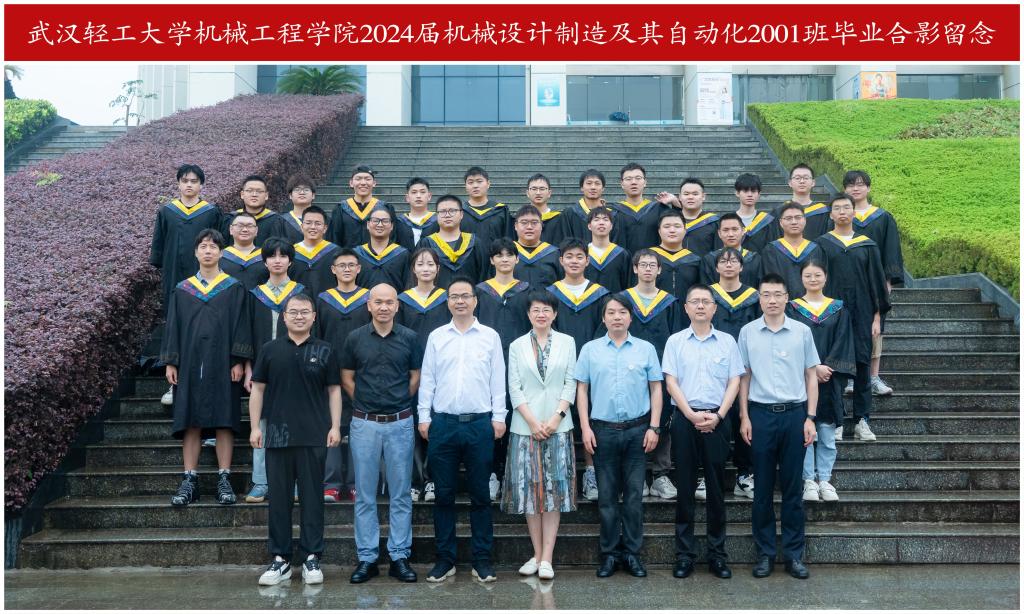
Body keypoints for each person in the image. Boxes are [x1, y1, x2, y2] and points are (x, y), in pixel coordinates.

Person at [249, 293, 342, 586]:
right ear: (284, 316)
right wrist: (255, 427)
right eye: (293, 312)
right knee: (279, 500)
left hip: (314, 435)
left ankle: (312, 557)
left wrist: (335, 426)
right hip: (277, 436)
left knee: (313, 499)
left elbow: (334, 391)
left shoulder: (326, 350)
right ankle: (281, 559)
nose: (299, 316)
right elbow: (258, 389)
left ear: (314, 317)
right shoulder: (270, 350)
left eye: (304, 312)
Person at [418, 277, 507, 584]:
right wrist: (424, 417)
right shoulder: (437, 337)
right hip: (443, 424)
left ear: (475, 300)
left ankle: (482, 560)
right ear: (447, 302)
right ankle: (445, 559)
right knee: (443, 495)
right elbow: (428, 379)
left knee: (481, 495)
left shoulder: (490, 337)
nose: (460, 301)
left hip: (479, 424)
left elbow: (498, 379)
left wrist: (499, 417)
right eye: (454, 296)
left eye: (465, 296)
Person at [737, 273, 820, 580]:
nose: (772, 300)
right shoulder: (747, 332)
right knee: (761, 490)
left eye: (777, 294)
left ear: (787, 298)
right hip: (760, 415)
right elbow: (743, 377)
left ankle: (794, 555)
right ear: (759, 299)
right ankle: (765, 554)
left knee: (792, 488)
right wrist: (744, 417)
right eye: (766, 295)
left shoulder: (802, 332)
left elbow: (811, 375)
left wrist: (810, 418)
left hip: (795, 415)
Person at [161, 229, 252, 507]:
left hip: (224, 363)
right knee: (190, 419)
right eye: (203, 246)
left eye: (213, 247)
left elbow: (241, 325)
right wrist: (171, 361)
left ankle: (224, 478)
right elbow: (173, 327)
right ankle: (190, 480)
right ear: (196, 252)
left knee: (225, 419)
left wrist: (238, 359)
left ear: (222, 253)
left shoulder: (233, 288)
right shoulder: (182, 289)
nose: (208, 251)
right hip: (189, 363)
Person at [576, 295, 663, 578]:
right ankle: (610, 555)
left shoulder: (645, 349)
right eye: (611, 312)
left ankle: (632, 554)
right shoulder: (590, 350)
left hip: (638, 431)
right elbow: (582, 390)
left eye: (622, 312)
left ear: (630, 317)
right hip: (603, 431)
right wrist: (585, 428)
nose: (617, 317)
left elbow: (656, 389)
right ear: (603, 318)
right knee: (607, 498)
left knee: (635, 497)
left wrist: (654, 427)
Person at [662, 284, 745, 580]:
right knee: (685, 488)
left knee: (716, 490)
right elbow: (671, 382)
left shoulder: (727, 342)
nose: (700, 306)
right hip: (685, 420)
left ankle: (717, 555)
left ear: (714, 308)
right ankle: (684, 556)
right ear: (686, 308)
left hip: (718, 419)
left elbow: (735, 381)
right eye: (694, 301)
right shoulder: (675, 342)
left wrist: (719, 415)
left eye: (705, 301)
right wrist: (690, 414)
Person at [342, 284, 423, 584]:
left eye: (389, 302)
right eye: (378, 302)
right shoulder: (355, 338)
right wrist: (367, 403)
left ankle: (399, 556)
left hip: (400, 422)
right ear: (369, 305)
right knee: (365, 494)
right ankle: (367, 558)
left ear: (397, 306)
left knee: (400, 493)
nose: (384, 307)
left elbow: (415, 377)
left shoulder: (410, 338)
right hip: (365, 423)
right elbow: (346, 377)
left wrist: (396, 401)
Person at [502, 291, 578, 581]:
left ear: (555, 314)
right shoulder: (517, 345)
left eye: (546, 309)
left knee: (554, 491)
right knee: (530, 492)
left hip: (558, 426)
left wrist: (556, 417)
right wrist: (534, 422)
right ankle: (536, 554)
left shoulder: (567, 342)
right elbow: (514, 387)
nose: (541, 314)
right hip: (526, 427)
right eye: (536, 310)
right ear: (528, 314)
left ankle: (548, 557)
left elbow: (570, 383)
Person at [818, 195, 891, 443]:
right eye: (837, 208)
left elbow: (876, 283)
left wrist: (877, 318)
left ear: (853, 212)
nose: (842, 212)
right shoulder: (822, 245)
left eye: (846, 207)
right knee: (834, 366)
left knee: (862, 366)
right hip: (832, 314)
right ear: (831, 214)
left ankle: (862, 420)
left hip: (862, 314)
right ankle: (836, 420)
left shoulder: (867, 245)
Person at [151, 164, 222, 406]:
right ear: (178, 184)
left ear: (201, 185)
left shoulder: (211, 213)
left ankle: (207, 382)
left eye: (194, 181)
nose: (189, 185)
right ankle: (174, 385)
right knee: (176, 327)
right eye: (185, 181)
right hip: (174, 279)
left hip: (206, 280)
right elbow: (158, 251)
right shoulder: (167, 212)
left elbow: (219, 246)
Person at [243, 238, 307, 504]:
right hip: (262, 369)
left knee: (296, 424)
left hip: (296, 368)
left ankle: (294, 482)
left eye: (283, 256)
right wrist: (248, 368)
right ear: (265, 261)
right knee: (261, 423)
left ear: (290, 261)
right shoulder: (255, 295)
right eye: (272, 256)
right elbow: (246, 331)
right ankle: (261, 481)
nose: (277, 260)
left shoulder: (301, 294)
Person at [786, 260, 856, 503]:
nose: (813, 279)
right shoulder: (792, 309)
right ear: (801, 279)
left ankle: (825, 479)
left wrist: (827, 367)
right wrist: (812, 367)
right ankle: (808, 480)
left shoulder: (838, 308)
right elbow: (790, 343)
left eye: (817, 275)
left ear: (825, 278)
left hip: (829, 379)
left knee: (826, 432)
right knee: (805, 432)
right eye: (808, 275)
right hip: (801, 378)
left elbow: (844, 340)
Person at [547, 238, 611, 502]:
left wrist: (591, 356)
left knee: (590, 417)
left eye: (579, 256)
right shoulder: (551, 294)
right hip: (558, 363)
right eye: (569, 256)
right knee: (560, 416)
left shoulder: (600, 294)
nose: (574, 261)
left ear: (588, 260)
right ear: (561, 261)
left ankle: (591, 472)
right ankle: (564, 473)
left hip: (592, 363)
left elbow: (604, 326)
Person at [619, 249, 682, 500]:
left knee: (662, 418)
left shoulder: (669, 302)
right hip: (628, 369)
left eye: (652, 265)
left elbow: (676, 338)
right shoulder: (623, 301)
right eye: (642, 264)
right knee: (633, 420)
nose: (647, 269)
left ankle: (660, 474)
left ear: (659, 270)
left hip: (661, 369)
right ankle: (635, 475)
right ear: (635, 269)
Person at [476, 238, 532, 501]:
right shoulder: (480, 292)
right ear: (492, 260)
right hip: (486, 363)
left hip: (519, 362)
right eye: (499, 255)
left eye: (510, 255)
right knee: (491, 417)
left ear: (517, 259)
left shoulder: (527, 291)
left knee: (517, 416)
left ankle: (515, 472)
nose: (505, 259)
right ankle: (492, 473)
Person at [315, 248, 371, 502]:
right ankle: (332, 482)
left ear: (359, 269)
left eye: (351, 265)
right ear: (333, 269)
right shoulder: (323, 299)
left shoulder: (369, 299)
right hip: (329, 371)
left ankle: (357, 482)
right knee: (332, 425)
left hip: (362, 372)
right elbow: (317, 335)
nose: (347, 269)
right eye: (341, 265)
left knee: (360, 427)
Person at [844, 170, 903, 396]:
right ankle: (851, 377)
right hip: (845, 282)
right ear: (845, 189)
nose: (855, 188)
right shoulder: (840, 215)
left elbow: (891, 251)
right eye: (851, 185)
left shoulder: (882, 217)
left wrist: (887, 283)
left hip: (874, 284)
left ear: (868, 188)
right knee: (847, 328)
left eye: (860, 184)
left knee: (875, 330)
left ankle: (873, 377)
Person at [708, 248, 762, 500]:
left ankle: (744, 474)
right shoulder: (708, 296)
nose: (728, 264)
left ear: (741, 266)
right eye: (723, 261)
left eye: (733, 261)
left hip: (747, 368)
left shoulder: (754, 297)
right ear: (716, 267)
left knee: (744, 416)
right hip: (713, 368)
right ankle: (709, 474)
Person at [398, 248, 450, 503]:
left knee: (435, 424)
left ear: (438, 269)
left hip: (442, 370)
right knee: (412, 424)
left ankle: (432, 480)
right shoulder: (402, 300)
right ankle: (415, 480)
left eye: (430, 264)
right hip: (411, 369)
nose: (426, 268)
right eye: (420, 264)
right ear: (413, 269)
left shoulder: (447, 298)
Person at [331, 165, 411, 249]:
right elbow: (334, 240)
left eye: (367, 179)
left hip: (379, 256)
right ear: (351, 183)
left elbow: (393, 237)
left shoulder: (385, 208)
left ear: (374, 183)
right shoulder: (341, 209)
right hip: (348, 256)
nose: (363, 183)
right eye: (358, 179)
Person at [417, 194, 489, 287]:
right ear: (437, 216)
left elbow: (484, 276)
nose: (447, 215)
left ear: (461, 214)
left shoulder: (475, 243)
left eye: (452, 211)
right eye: (442, 211)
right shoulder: (426, 243)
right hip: (435, 296)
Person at [761, 202, 825, 297]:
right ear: (781, 223)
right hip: (781, 303)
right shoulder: (771, 250)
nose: (794, 222)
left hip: (810, 303)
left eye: (798, 217)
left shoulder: (815, 249)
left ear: (805, 220)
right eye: (788, 218)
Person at [610, 163, 669, 254]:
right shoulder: (613, 212)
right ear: (622, 184)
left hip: (653, 261)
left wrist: (675, 203)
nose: (633, 182)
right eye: (628, 179)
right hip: (623, 261)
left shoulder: (659, 209)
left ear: (645, 182)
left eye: (638, 178)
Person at [651, 210, 702, 312]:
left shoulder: (695, 260)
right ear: (659, 231)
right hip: (655, 315)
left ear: (685, 230)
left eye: (677, 226)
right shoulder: (648, 258)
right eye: (667, 226)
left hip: (687, 315)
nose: (672, 230)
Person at [656, 177, 721, 256]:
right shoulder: (668, 222)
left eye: (695, 194)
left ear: (703, 196)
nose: (690, 197)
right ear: (680, 197)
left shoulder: (714, 222)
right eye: (686, 194)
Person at [353, 204, 410, 290]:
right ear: (368, 224)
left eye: (385, 221)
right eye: (375, 220)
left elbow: (408, 286)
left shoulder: (403, 254)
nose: (380, 225)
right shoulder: (357, 254)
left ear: (392, 226)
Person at [770, 164, 832, 241]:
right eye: (797, 178)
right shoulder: (779, 211)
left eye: (806, 178)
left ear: (813, 182)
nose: (802, 181)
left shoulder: (824, 212)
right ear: (790, 183)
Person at [289, 206, 341, 298]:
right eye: (308, 223)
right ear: (302, 227)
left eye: (318, 223)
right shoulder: (291, 252)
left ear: (325, 228)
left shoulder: (336, 252)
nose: (313, 227)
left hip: (327, 303)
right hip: (297, 304)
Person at [701, 212, 762, 288]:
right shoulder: (709, 260)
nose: (730, 234)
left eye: (735, 229)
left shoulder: (755, 259)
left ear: (743, 231)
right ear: (719, 233)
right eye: (725, 230)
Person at [222, 174, 285, 248]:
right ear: (242, 194)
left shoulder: (277, 220)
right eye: (249, 191)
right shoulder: (230, 219)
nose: (254, 194)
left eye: (259, 191)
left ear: (266, 195)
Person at [564, 169, 622, 244]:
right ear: (581, 187)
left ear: (603, 188)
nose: (593, 187)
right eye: (589, 183)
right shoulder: (570, 214)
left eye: (597, 183)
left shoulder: (613, 215)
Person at [513, 205, 563, 289]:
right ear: (515, 226)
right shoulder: (507, 254)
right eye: (524, 222)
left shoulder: (554, 254)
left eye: (534, 222)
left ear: (542, 226)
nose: (529, 227)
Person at [461, 166, 512, 249]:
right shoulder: (460, 211)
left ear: (488, 184)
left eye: (479, 181)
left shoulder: (500, 210)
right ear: (465, 186)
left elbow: (508, 239)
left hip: (495, 256)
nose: (475, 186)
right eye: (470, 182)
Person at [585, 206, 631, 293]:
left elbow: (627, 286)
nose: (601, 223)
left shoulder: (622, 254)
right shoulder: (583, 254)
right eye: (596, 219)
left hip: (615, 301)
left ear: (611, 226)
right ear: (589, 226)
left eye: (605, 219)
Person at [220, 211, 269, 290]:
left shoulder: (266, 257)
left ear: (256, 231)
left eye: (250, 226)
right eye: (240, 225)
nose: (245, 229)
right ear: (231, 229)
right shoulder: (220, 257)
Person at [734, 173, 775, 253]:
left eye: (753, 191)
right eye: (745, 191)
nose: (750, 195)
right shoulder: (729, 221)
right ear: (737, 193)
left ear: (759, 194)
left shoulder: (767, 222)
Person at [525, 173, 567, 245]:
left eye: (542, 189)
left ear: (549, 193)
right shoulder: (519, 220)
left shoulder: (560, 219)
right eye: (534, 189)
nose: (538, 193)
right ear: (527, 193)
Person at [398, 177, 438, 248]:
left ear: (429, 196)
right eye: (414, 192)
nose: (418, 196)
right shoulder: (399, 222)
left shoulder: (438, 221)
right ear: (407, 198)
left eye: (422, 192)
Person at [281, 173, 318, 245]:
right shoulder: (281, 221)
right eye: (297, 189)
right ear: (290, 195)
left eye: (306, 190)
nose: (302, 192)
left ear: (313, 195)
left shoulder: (325, 221)